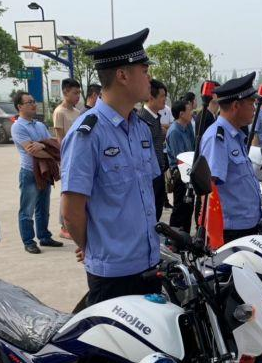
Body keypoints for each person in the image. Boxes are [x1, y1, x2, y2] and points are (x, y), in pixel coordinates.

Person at [61, 27, 161, 305]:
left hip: (150, 263)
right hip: (114, 276)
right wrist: (92, 248)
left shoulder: (140, 128)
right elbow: (71, 211)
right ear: (123, 75)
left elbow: (146, 194)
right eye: (144, 69)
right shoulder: (88, 133)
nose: (149, 77)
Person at [200, 71, 262, 363]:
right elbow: (211, 190)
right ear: (234, 106)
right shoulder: (217, 137)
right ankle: (234, 351)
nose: (253, 109)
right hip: (231, 233)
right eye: (249, 103)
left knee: (254, 293)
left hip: (247, 227)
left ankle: (252, 348)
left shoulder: (234, 135)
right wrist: (214, 238)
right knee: (235, 297)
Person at [11, 90, 64, 254]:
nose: (34, 104)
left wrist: (42, 145)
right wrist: (46, 148)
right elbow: (32, 151)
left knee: (43, 207)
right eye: (30, 102)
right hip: (29, 172)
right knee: (27, 209)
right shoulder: (18, 127)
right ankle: (28, 241)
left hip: (44, 171)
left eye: (34, 101)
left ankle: (44, 236)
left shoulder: (39, 125)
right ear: (20, 106)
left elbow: (53, 144)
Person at [53, 78, 83, 240]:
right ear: (65, 92)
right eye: (74, 93)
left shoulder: (78, 113)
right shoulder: (59, 112)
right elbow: (60, 138)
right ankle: (63, 226)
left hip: (78, 157)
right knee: (67, 192)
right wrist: (63, 160)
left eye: (79, 93)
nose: (78, 96)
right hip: (67, 158)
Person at [137, 79, 170, 218]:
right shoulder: (141, 119)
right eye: (162, 96)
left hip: (158, 173)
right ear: (151, 97)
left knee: (157, 211)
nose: (165, 100)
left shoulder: (155, 118)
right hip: (148, 177)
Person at [166, 98, 195, 233]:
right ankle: (174, 240)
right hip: (180, 174)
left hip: (190, 173)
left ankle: (185, 237)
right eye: (189, 110)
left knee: (188, 208)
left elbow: (194, 148)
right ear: (181, 114)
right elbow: (180, 158)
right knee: (179, 208)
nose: (192, 112)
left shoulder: (188, 126)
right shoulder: (174, 132)